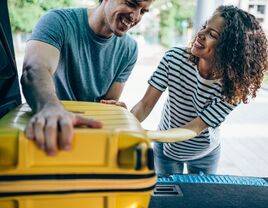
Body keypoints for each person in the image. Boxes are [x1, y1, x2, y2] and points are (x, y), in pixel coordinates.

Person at [101, 5, 268, 175]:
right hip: (165, 148)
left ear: (230, 48)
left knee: (200, 198)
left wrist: (145, 134)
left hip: (204, 153)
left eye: (212, 34)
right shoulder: (174, 59)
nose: (201, 34)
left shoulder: (233, 88)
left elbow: (193, 128)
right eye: (204, 27)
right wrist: (127, 123)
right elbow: (145, 105)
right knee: (172, 199)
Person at [20, 0, 153, 156]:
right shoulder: (58, 21)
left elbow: (107, 103)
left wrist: (115, 111)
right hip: (49, 134)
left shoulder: (130, 49)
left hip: (90, 138)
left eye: (143, 11)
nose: (135, 17)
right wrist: (49, 107)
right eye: (131, 4)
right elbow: (35, 70)